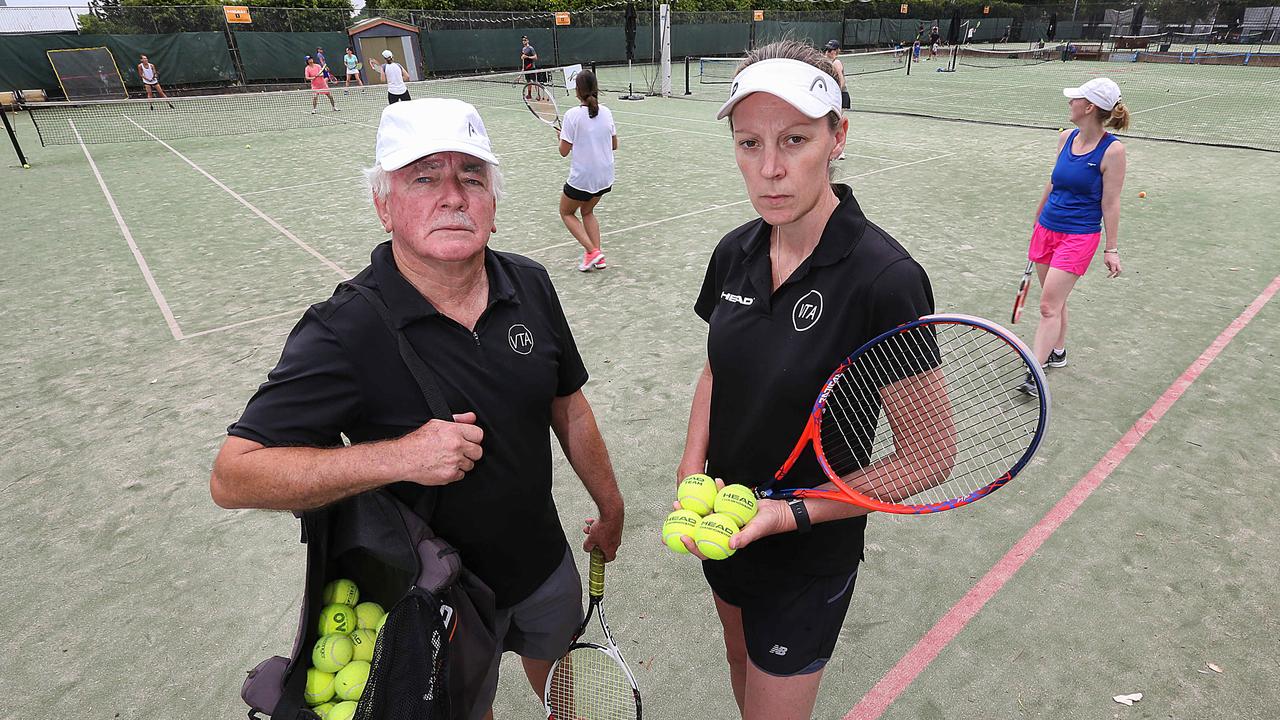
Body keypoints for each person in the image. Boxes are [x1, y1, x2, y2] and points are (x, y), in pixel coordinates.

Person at [210, 97, 626, 720]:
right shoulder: (343, 329)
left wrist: (611, 504)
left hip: (543, 565)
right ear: (384, 204)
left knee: (566, 699)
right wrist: (399, 457)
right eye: (424, 177)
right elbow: (234, 475)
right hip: (434, 596)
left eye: (472, 176)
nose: (453, 195)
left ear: (493, 201)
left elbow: (567, 406)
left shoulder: (530, 283)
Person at [675, 40, 935, 719]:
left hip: (808, 552)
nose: (769, 170)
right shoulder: (735, 250)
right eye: (748, 143)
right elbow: (715, 367)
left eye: (794, 140)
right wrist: (689, 470)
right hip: (726, 523)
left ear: (837, 136)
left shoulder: (885, 280)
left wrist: (788, 512)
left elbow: (930, 458)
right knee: (738, 662)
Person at [1018, 77, 1128, 397]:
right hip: (1048, 229)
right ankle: (1058, 351)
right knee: (1056, 300)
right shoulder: (1065, 137)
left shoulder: (1113, 151)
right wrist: (1038, 216)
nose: (1070, 103)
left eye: (1076, 99)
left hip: (1079, 237)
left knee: (1048, 306)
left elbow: (1111, 202)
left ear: (1089, 107)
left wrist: (1112, 248)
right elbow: (1054, 182)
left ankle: (1035, 372)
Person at [557, 69, 617, 272]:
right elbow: (614, 144)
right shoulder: (607, 112)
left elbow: (563, 152)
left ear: (577, 90)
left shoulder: (572, 116)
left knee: (566, 212)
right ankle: (598, 258)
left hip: (583, 179)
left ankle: (592, 251)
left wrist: (561, 138)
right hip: (605, 178)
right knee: (587, 210)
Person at [822, 40, 848, 160]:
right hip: (832, 96)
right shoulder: (827, 61)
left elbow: (841, 82)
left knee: (836, 124)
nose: (828, 52)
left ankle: (840, 151)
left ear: (836, 51)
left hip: (841, 96)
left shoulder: (837, 62)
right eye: (827, 49)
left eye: (831, 50)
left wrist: (835, 94)